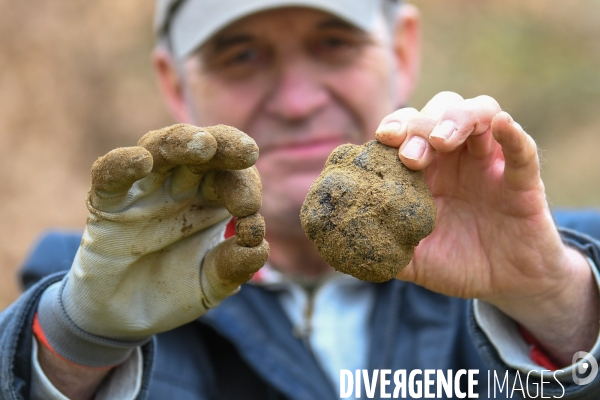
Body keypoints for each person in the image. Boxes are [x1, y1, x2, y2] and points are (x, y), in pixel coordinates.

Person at [1, 0, 600, 398]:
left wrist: (554, 301)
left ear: (402, 50)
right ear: (174, 83)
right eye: (241, 56)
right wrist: (75, 350)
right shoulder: (84, 290)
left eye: (334, 42)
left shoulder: (565, 266)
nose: (295, 100)